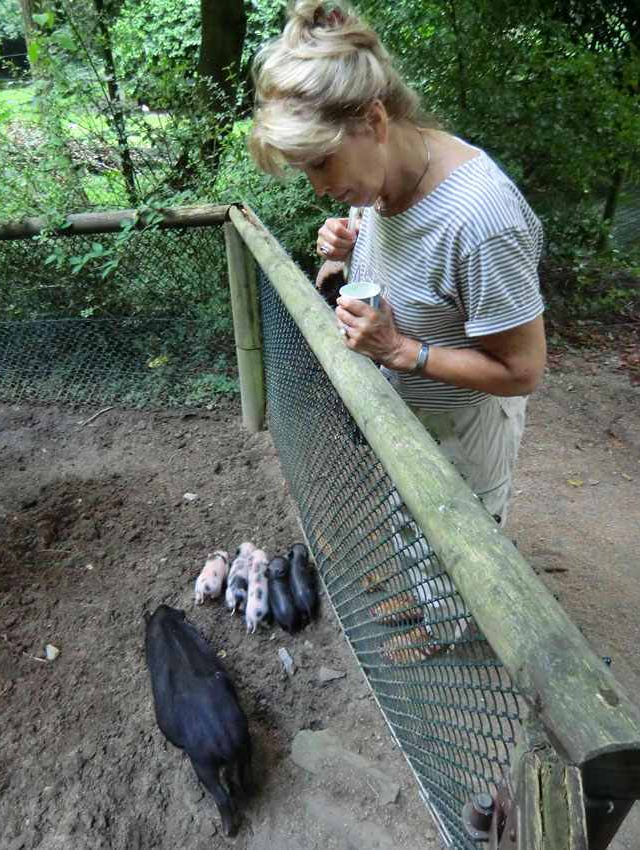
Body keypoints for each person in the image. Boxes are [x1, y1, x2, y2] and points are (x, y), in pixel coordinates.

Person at [248, 2, 546, 662]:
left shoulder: (482, 218)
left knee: (455, 528)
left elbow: (523, 370)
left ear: (375, 121)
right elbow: (397, 275)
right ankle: (419, 588)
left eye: (319, 165)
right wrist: (342, 251)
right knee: (410, 510)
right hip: (407, 411)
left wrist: (399, 351)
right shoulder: (375, 181)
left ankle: (442, 627)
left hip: (466, 425)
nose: (318, 187)